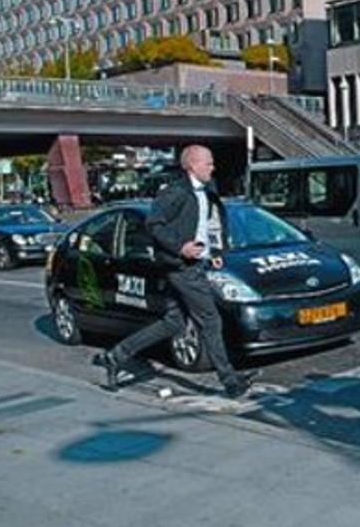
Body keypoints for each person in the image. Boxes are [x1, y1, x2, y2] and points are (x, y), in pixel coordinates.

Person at [92, 145, 257, 398]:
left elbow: (207, 226)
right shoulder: (175, 192)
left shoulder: (207, 189)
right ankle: (230, 380)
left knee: (173, 322)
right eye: (208, 163)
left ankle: (116, 356)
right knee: (211, 320)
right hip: (181, 267)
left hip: (196, 262)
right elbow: (154, 224)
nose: (213, 168)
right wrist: (181, 248)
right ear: (192, 165)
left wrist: (212, 253)